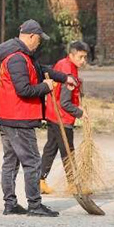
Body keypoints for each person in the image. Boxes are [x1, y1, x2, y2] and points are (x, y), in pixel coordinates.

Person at [0, 19, 77, 218]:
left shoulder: (24, 56)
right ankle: (34, 205)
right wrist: (46, 87)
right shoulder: (17, 59)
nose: (39, 43)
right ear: (31, 36)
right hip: (18, 118)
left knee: (11, 162)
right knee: (32, 162)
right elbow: (23, 90)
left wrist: (65, 78)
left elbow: (42, 69)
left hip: (8, 116)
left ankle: (10, 204)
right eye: (39, 39)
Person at [40, 41, 89, 194]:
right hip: (61, 117)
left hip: (52, 113)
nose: (83, 61)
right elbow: (65, 102)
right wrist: (80, 113)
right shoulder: (68, 72)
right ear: (71, 55)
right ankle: (73, 184)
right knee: (68, 152)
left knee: (51, 148)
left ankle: (40, 181)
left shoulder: (64, 64)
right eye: (80, 57)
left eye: (85, 57)